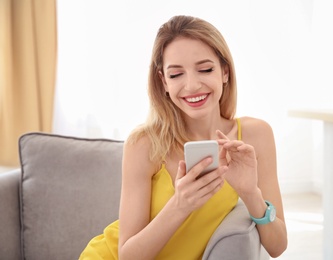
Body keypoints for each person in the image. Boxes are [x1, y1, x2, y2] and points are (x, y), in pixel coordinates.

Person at [80, 15, 287, 259]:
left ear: (225, 72)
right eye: (176, 74)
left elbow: (278, 246)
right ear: (163, 81)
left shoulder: (255, 135)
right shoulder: (143, 144)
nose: (191, 86)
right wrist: (180, 205)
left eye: (205, 69)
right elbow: (127, 255)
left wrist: (251, 193)